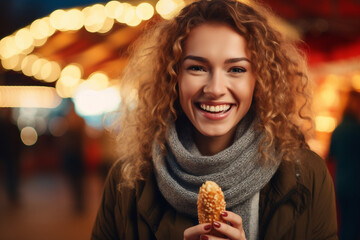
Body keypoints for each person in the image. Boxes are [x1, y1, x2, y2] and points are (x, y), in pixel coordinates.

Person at [91, 0, 338, 239]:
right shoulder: (127, 181)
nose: (215, 88)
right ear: (173, 78)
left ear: (259, 80)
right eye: (197, 68)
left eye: (237, 69)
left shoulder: (307, 175)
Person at [329, 90, 360, 240]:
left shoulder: (339, 128)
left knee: (343, 222)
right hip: (356, 184)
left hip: (340, 182)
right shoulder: (357, 129)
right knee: (353, 225)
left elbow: (330, 154)